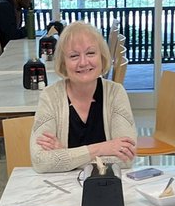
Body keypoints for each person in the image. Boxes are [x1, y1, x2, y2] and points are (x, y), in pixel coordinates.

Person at [30, 21, 137, 173]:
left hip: (106, 188)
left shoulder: (116, 93)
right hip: (60, 191)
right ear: (63, 62)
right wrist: (101, 148)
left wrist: (64, 154)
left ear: (102, 56)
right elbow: (40, 161)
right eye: (74, 56)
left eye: (90, 53)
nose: (83, 62)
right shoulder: (50, 97)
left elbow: (126, 159)